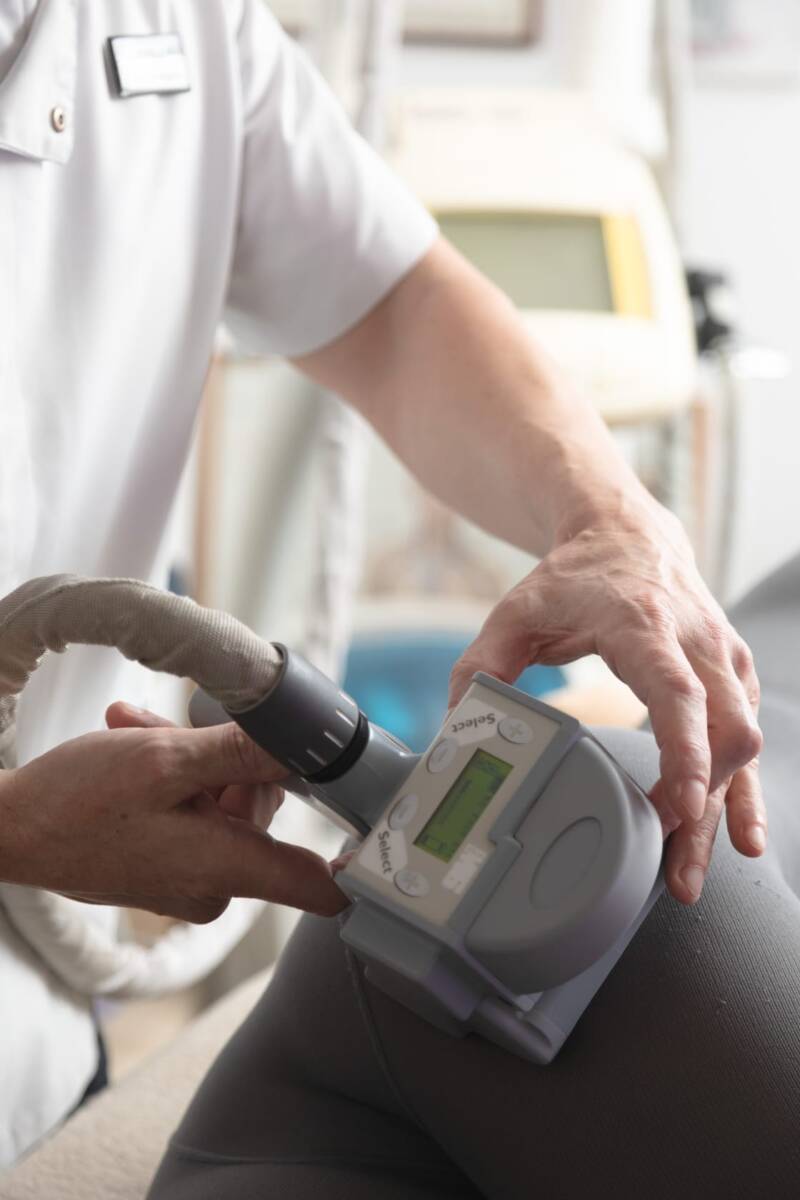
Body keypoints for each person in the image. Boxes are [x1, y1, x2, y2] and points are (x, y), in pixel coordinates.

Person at [0, 0, 762, 1168]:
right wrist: (15, 831)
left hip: (43, 1036)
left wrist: (612, 524)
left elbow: (396, 309)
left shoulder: (184, 25)